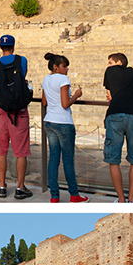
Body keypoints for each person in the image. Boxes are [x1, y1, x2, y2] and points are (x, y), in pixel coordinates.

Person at [42, 52, 89, 203]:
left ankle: (54, 196)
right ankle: (74, 194)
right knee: (68, 160)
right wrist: (76, 95)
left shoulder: (46, 79)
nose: (67, 68)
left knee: (53, 159)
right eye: (64, 66)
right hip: (63, 122)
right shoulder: (63, 79)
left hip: (49, 121)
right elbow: (65, 104)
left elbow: (44, 102)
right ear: (56, 67)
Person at [0, 34, 34, 199]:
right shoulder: (22, 61)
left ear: (1, 48)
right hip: (19, 112)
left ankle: (2, 186)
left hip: (1, 112)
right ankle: (20, 187)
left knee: (1, 151)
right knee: (20, 152)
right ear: (13, 46)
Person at [103, 51, 133, 202]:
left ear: (119, 62)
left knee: (114, 159)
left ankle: (121, 200)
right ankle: (132, 199)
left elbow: (109, 96)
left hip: (115, 115)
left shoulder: (110, 71)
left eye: (110, 62)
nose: (108, 65)